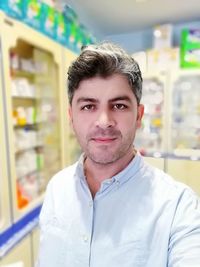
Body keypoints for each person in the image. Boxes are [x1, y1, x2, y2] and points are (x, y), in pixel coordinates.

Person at [37, 42, 200, 267]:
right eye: (88, 106)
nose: (104, 121)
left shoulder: (178, 207)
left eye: (120, 106)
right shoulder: (57, 188)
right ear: (71, 116)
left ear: (139, 115)